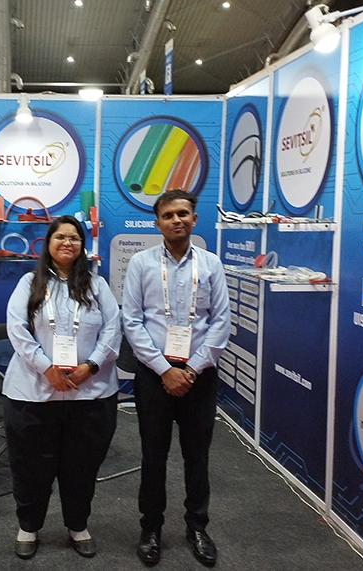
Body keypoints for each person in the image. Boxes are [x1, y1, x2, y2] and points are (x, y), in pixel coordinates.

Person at [121, 190, 231, 568]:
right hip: (155, 375)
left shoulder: (212, 264)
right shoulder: (141, 263)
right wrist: (164, 369)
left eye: (183, 213)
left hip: (199, 375)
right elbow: (132, 321)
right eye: (168, 215)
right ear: (158, 223)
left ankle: (197, 527)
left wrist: (192, 369)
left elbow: (220, 322)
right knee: (153, 456)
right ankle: (150, 528)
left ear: (194, 219)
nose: (176, 220)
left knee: (196, 456)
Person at [2, 214, 121, 560]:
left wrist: (91, 365)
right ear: (48, 243)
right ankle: (28, 526)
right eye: (60, 237)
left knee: (82, 466)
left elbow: (113, 328)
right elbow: (17, 329)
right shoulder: (29, 283)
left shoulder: (97, 285)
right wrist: (46, 367)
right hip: (34, 393)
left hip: (90, 393)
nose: (67, 243)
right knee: (30, 466)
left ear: (82, 246)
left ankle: (78, 525)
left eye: (74, 238)